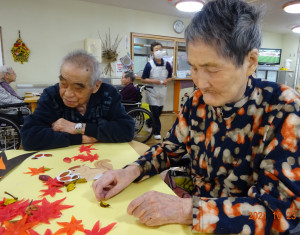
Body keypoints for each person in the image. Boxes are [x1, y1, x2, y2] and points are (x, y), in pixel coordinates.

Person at [92, 0, 300, 234]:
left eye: (212, 70)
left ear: (250, 62)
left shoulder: (283, 108)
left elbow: (281, 211)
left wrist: (186, 210)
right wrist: (130, 171)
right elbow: (170, 149)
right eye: (194, 67)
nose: (200, 82)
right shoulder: (197, 101)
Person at [21, 50, 135, 150]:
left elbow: (126, 130)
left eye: (78, 88)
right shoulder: (51, 95)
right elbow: (29, 137)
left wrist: (77, 128)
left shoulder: (108, 94)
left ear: (95, 86)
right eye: (63, 84)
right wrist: (80, 138)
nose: (68, 94)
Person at [141, 41, 172, 140]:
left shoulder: (167, 64)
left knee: (158, 112)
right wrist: (153, 81)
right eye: (156, 50)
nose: (159, 51)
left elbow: (170, 77)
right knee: (155, 113)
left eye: (160, 50)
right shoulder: (149, 65)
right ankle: (157, 132)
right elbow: (143, 79)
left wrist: (167, 80)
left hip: (162, 91)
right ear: (152, 52)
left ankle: (148, 122)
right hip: (152, 91)